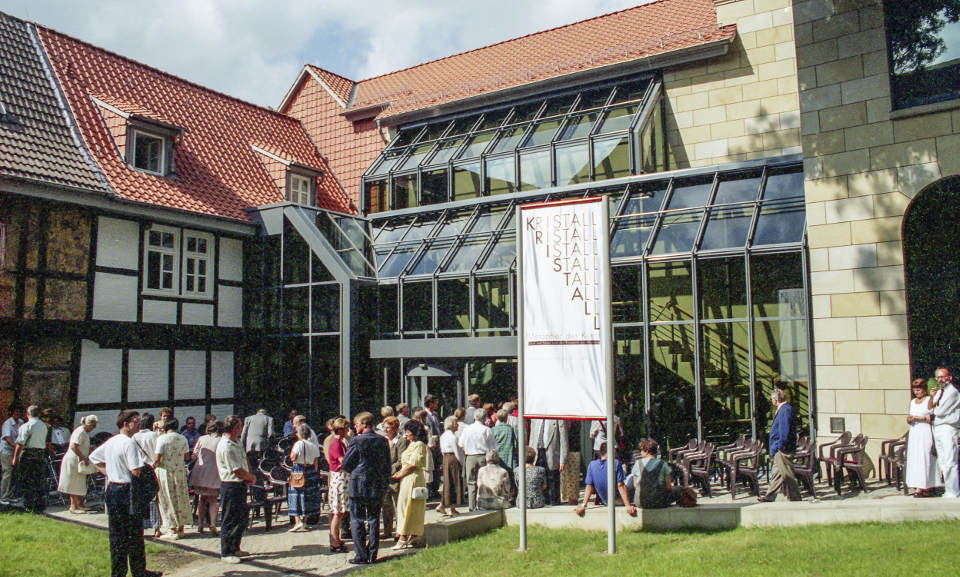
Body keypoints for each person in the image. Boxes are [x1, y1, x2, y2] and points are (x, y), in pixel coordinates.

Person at [88, 410, 162, 577]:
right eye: (135, 421)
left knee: (116, 535)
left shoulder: (111, 441)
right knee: (135, 533)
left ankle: (118, 573)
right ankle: (139, 571)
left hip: (113, 489)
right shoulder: (130, 443)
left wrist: (108, 472)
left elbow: (94, 457)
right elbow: (135, 470)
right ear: (125, 424)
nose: (138, 423)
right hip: (128, 491)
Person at [341, 411, 391, 565]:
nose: (354, 428)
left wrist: (356, 471)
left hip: (358, 485)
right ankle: (372, 554)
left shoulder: (356, 441)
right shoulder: (382, 440)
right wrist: (384, 486)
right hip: (376, 485)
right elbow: (386, 466)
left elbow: (346, 464)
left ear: (364, 424)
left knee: (357, 520)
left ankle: (360, 555)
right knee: (374, 519)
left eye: (356, 425)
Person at [217, 415, 256, 564]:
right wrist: (249, 477)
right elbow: (236, 470)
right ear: (234, 428)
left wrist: (249, 475)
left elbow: (244, 459)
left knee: (240, 518)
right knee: (229, 518)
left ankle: (235, 547)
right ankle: (226, 552)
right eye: (240, 426)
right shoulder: (225, 446)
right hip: (230, 485)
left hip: (240, 483)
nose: (242, 429)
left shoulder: (237, 441)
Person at [758, 388, 801, 502]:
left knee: (787, 474)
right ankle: (769, 496)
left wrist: (780, 447)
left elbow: (784, 431)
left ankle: (796, 499)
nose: (771, 401)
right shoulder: (784, 409)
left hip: (783, 449)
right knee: (777, 474)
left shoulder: (785, 410)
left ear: (776, 400)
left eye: (772, 399)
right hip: (780, 449)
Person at [392, 420, 427, 550]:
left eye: (408, 432)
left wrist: (400, 473)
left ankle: (403, 536)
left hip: (413, 478)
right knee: (404, 506)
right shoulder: (412, 444)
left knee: (408, 506)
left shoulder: (419, 445)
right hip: (407, 478)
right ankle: (412, 535)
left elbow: (413, 464)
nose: (406, 434)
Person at [575, 442, 636, 516]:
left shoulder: (592, 465)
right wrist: (628, 505)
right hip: (618, 500)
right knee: (633, 476)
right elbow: (620, 485)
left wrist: (583, 505)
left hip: (605, 501)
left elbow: (589, 487)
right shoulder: (615, 463)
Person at [154, 419, 191, 540]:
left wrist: (153, 465)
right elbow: (187, 456)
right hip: (179, 472)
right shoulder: (183, 438)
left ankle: (171, 530)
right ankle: (181, 529)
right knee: (181, 497)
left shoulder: (162, 439)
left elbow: (157, 458)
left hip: (165, 472)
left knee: (167, 498)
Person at [11, 405, 49, 513]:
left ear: (28, 414)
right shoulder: (44, 425)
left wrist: (15, 457)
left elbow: (20, 443)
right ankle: (40, 504)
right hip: (40, 453)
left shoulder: (26, 426)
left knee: (27, 479)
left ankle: (29, 504)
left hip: (29, 453)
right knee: (39, 480)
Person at [631, 439, 689, 509]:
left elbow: (635, 485)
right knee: (680, 489)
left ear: (646, 452)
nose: (640, 452)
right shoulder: (663, 464)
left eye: (641, 450)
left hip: (640, 502)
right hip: (658, 502)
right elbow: (669, 487)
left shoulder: (637, 463)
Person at [930, 366, 960, 498]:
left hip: (948, 427)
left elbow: (939, 411)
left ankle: (953, 492)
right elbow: (931, 407)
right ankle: (949, 489)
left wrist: (934, 410)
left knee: (950, 461)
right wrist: (932, 398)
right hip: (938, 427)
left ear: (950, 377)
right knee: (943, 461)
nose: (940, 379)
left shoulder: (952, 392)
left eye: (943, 376)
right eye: (938, 377)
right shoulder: (939, 391)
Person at [906, 378, 940, 497]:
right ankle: (920, 485)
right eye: (915, 390)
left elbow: (933, 418)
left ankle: (924, 486)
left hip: (925, 432)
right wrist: (909, 420)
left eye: (919, 389)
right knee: (915, 459)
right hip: (915, 432)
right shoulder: (913, 402)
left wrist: (920, 418)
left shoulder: (929, 400)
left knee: (925, 457)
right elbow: (909, 417)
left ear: (924, 390)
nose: (916, 392)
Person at [59, 414, 98, 513]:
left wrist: (89, 448)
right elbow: (74, 446)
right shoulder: (80, 431)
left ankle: (80, 504)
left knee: (79, 483)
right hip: (73, 460)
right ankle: (73, 507)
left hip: (78, 460)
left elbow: (81, 445)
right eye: (93, 426)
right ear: (89, 425)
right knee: (74, 483)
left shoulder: (83, 431)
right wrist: (83, 457)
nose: (94, 428)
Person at [459, 407, 496, 510]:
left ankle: (471, 506)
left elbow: (460, 444)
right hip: (483, 457)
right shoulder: (486, 429)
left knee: (471, 483)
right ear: (485, 418)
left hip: (470, 456)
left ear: (474, 417)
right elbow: (493, 446)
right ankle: (483, 505)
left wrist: (468, 448)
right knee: (484, 482)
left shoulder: (467, 428)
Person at [189, 420, 222, 535]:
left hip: (200, 471)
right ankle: (212, 523)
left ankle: (201, 525)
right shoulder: (222, 440)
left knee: (201, 499)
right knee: (213, 500)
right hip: (214, 472)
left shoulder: (202, 438)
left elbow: (194, 455)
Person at [287, 423, 321, 532]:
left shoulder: (298, 444)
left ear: (300, 434)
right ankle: (305, 521)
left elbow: (293, 457)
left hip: (299, 470)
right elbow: (316, 462)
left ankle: (298, 521)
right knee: (308, 496)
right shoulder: (314, 446)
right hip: (311, 471)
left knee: (296, 495)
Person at [528, 417, 567, 506]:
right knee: (539, 478)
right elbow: (532, 437)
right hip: (538, 452)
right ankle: (542, 502)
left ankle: (554, 503)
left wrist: (563, 460)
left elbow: (563, 439)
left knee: (552, 478)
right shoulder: (535, 418)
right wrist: (529, 456)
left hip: (552, 453)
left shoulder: (557, 419)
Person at [133, 413, 161, 536]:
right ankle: (156, 528)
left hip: (139, 469)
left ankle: (142, 526)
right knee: (153, 498)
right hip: (152, 468)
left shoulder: (134, 436)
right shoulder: (155, 435)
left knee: (140, 498)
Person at [326, 416, 351, 553]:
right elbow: (343, 461)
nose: (348, 430)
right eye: (346, 428)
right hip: (339, 478)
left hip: (342, 478)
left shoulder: (341, 442)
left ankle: (336, 538)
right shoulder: (335, 444)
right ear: (340, 430)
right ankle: (334, 540)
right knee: (338, 512)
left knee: (340, 512)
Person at [381, 416, 407, 540]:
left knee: (398, 505)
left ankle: (400, 531)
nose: (385, 430)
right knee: (386, 506)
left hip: (395, 477)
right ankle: (387, 531)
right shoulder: (382, 440)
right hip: (384, 479)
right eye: (384, 427)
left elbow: (400, 460)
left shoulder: (401, 441)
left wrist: (389, 470)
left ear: (395, 428)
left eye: (388, 427)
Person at [437, 415, 464, 516]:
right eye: (456, 423)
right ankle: (450, 507)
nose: (457, 426)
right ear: (452, 425)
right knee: (454, 481)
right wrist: (462, 463)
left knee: (448, 482)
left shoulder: (443, 435)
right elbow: (457, 452)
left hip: (446, 459)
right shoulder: (453, 437)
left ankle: (444, 505)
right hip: (453, 459)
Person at [1, 405, 24, 504]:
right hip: (6, 450)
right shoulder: (7, 423)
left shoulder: (21, 422)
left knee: (15, 473)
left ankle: (10, 495)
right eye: (15, 412)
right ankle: (3, 497)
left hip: (16, 450)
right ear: (11, 413)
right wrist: (16, 446)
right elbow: (7, 438)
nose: (17, 414)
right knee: (7, 473)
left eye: (19, 412)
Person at [560, 420, 582, 505]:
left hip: (573, 449)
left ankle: (572, 499)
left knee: (573, 476)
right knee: (566, 476)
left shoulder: (575, 422)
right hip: (567, 449)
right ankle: (567, 497)